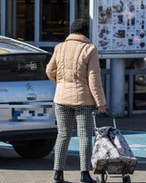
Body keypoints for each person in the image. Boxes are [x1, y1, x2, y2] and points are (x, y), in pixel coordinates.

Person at [46, 19, 107, 183]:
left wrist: (60, 83)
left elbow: (49, 70)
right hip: (83, 101)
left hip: (61, 98)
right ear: (85, 32)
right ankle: (84, 174)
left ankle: (58, 173)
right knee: (85, 136)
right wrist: (100, 102)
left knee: (63, 135)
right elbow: (94, 79)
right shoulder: (90, 49)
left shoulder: (59, 48)